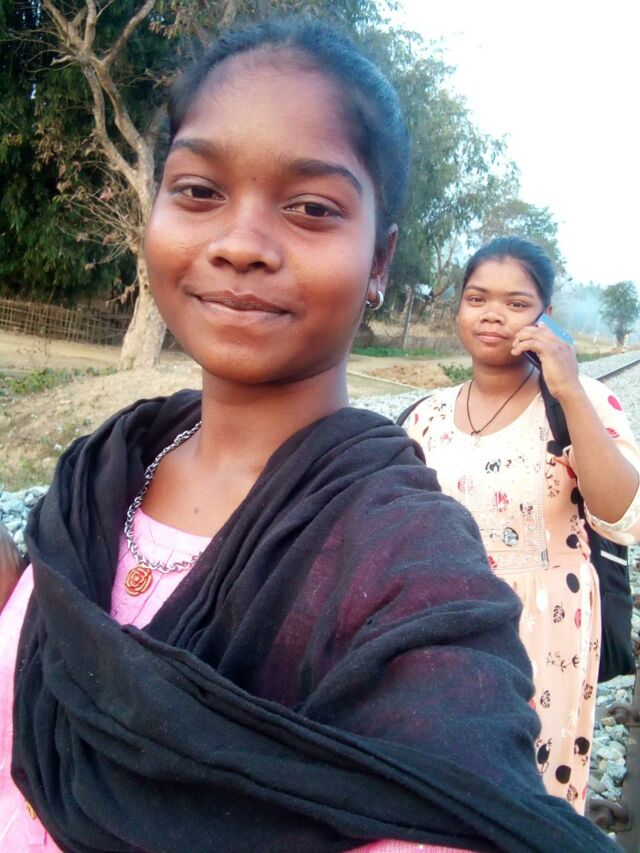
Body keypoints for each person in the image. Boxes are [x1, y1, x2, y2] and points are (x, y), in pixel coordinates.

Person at [0, 22, 615, 852]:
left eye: (312, 208)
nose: (240, 244)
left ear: (380, 262)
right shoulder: (104, 469)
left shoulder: (408, 556)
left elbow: (458, 785)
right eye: (198, 191)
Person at [406, 236, 640, 813]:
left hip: (545, 630)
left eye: (516, 303)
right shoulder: (425, 415)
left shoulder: (580, 401)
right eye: (477, 298)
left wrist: (568, 387)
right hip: (444, 625)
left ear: (546, 317)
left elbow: (620, 515)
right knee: (442, 789)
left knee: (528, 796)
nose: (493, 314)